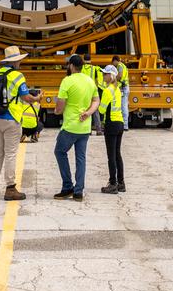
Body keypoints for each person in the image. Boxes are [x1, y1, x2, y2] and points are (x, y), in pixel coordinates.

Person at [0, 46, 40, 202]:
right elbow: (26, 97)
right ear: (16, 61)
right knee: (11, 154)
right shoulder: (17, 76)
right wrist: (37, 99)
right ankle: (10, 188)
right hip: (11, 119)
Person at [53, 53, 100, 201]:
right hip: (85, 127)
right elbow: (96, 101)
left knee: (60, 152)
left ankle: (67, 187)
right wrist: (88, 113)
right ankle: (78, 192)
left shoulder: (67, 81)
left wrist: (56, 111)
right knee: (81, 158)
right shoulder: (90, 81)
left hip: (70, 126)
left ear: (71, 66)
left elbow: (60, 106)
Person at [99, 64, 126, 194]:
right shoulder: (117, 89)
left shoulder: (107, 91)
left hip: (111, 125)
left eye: (105, 74)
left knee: (111, 156)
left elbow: (101, 109)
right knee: (117, 154)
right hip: (119, 123)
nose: (103, 76)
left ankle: (113, 184)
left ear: (111, 76)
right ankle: (121, 183)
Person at [81, 54, 104, 134]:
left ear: (83, 60)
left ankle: (88, 130)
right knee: (95, 110)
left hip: (84, 91)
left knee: (86, 110)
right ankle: (98, 130)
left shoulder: (81, 68)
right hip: (93, 91)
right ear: (90, 60)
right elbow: (97, 80)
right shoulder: (94, 68)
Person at [111, 54, 130, 129]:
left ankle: (125, 125)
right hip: (125, 87)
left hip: (123, 87)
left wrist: (113, 79)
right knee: (124, 105)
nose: (113, 65)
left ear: (115, 61)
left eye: (113, 63)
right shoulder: (123, 65)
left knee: (123, 106)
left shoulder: (119, 66)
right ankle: (125, 124)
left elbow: (120, 76)